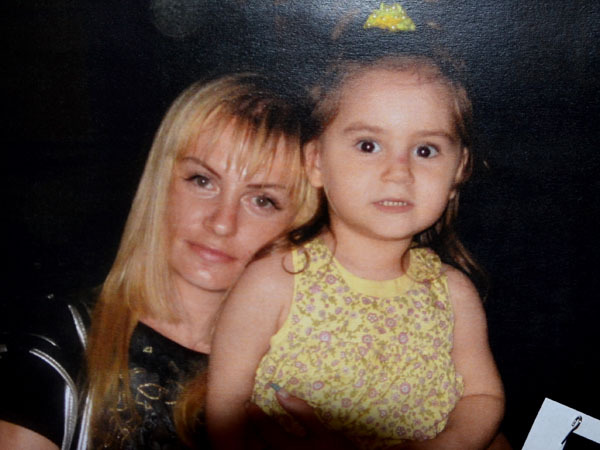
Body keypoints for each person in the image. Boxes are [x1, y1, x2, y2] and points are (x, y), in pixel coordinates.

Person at [0, 73, 319, 449]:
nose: (221, 222)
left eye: (262, 201)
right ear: (160, 184)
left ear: (299, 224)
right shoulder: (62, 342)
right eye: (202, 180)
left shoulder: (307, 376)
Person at [206, 54, 505, 449]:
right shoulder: (274, 283)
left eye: (425, 150)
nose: (398, 172)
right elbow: (224, 411)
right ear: (316, 161)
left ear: (459, 169)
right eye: (368, 145)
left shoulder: (453, 293)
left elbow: (482, 397)